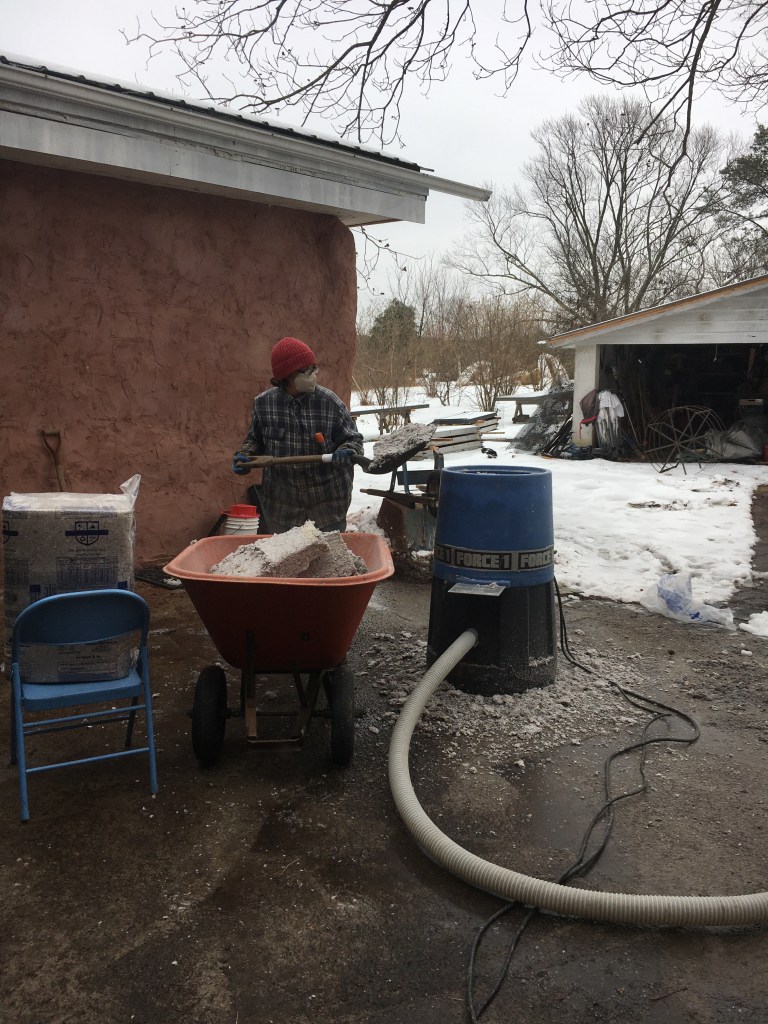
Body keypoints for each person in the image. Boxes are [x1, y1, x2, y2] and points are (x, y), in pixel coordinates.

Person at [231, 336, 364, 533]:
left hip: (326, 504)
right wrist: (245, 455)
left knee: (328, 560)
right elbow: (255, 440)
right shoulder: (264, 404)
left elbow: (353, 439)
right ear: (286, 375)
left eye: (314, 368)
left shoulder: (329, 403)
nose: (313, 374)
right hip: (283, 506)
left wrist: (347, 450)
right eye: (306, 370)